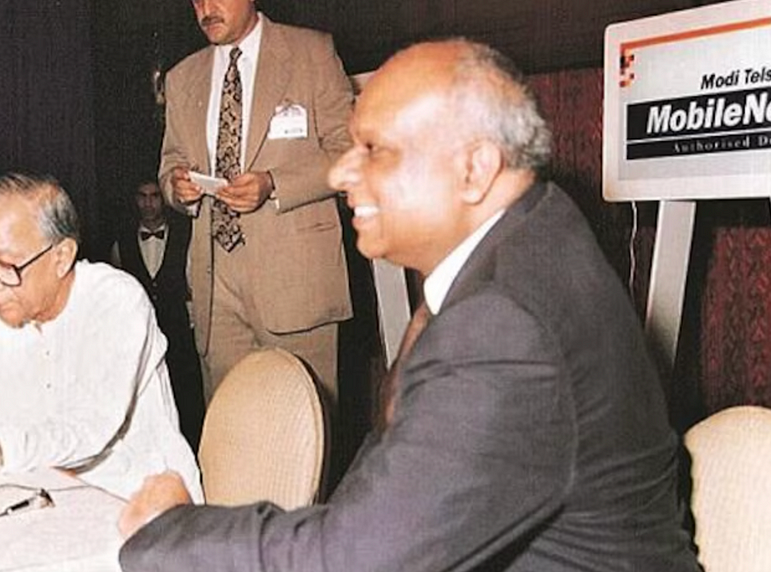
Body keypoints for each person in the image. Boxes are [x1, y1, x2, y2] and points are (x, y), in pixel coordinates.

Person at [118, 40, 701, 571]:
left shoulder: (503, 323)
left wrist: (169, 531)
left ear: (475, 168)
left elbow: (358, 560)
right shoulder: (534, 234)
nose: (343, 171)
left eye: (374, 149)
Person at [0, 172, 202, 501]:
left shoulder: (115, 300)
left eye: (6, 265)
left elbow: (88, 428)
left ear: (61, 257)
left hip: (136, 503)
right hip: (36, 497)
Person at [161, 0, 353, 404]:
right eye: (196, 0)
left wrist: (274, 184)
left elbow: (349, 151)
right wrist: (176, 187)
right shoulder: (182, 77)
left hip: (296, 279)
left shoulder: (311, 52)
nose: (205, 9)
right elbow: (171, 163)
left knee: (306, 430)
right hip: (215, 284)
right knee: (232, 433)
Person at [111, 180, 205, 451]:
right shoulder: (122, 242)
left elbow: (193, 286)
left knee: (187, 402)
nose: (148, 203)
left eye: (154, 196)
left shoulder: (185, 238)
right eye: (142, 196)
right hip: (140, 339)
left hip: (180, 340)